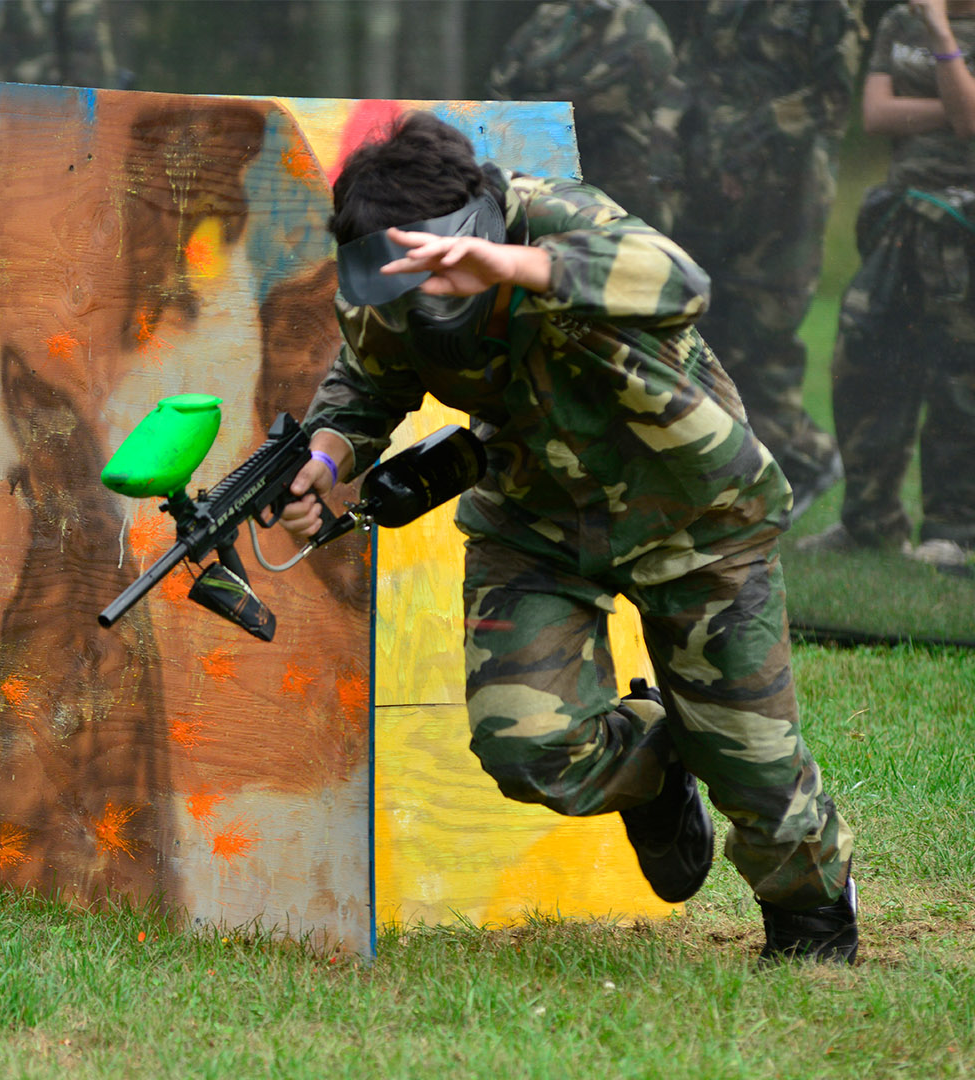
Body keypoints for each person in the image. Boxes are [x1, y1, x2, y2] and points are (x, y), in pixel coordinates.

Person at [276, 113, 858, 963]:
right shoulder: (387, 274)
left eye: (438, 270)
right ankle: (656, 771)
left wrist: (516, 268)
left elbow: (680, 280)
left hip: (694, 517)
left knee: (755, 774)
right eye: (399, 279)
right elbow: (364, 384)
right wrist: (326, 458)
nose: (423, 297)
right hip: (537, 521)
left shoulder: (556, 220)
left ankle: (812, 916)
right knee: (529, 746)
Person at [799, 0, 975, 566]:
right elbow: (878, 116)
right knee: (864, 366)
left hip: (974, 224)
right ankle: (869, 523)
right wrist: (967, 106)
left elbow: (970, 117)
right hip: (901, 213)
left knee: (965, 379)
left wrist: (941, 37)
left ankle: (953, 530)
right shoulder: (897, 20)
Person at [669, 0, 865, 524]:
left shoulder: (830, 10)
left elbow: (834, 99)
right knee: (712, 335)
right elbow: (691, 74)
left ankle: (788, 473)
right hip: (708, 190)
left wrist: (752, 139)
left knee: (765, 339)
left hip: (785, 196)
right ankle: (790, 462)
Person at [488, 0, 682, 233]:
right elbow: (501, 81)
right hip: (537, 176)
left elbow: (598, 105)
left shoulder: (638, 26)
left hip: (611, 185)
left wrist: (518, 115)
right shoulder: (553, 15)